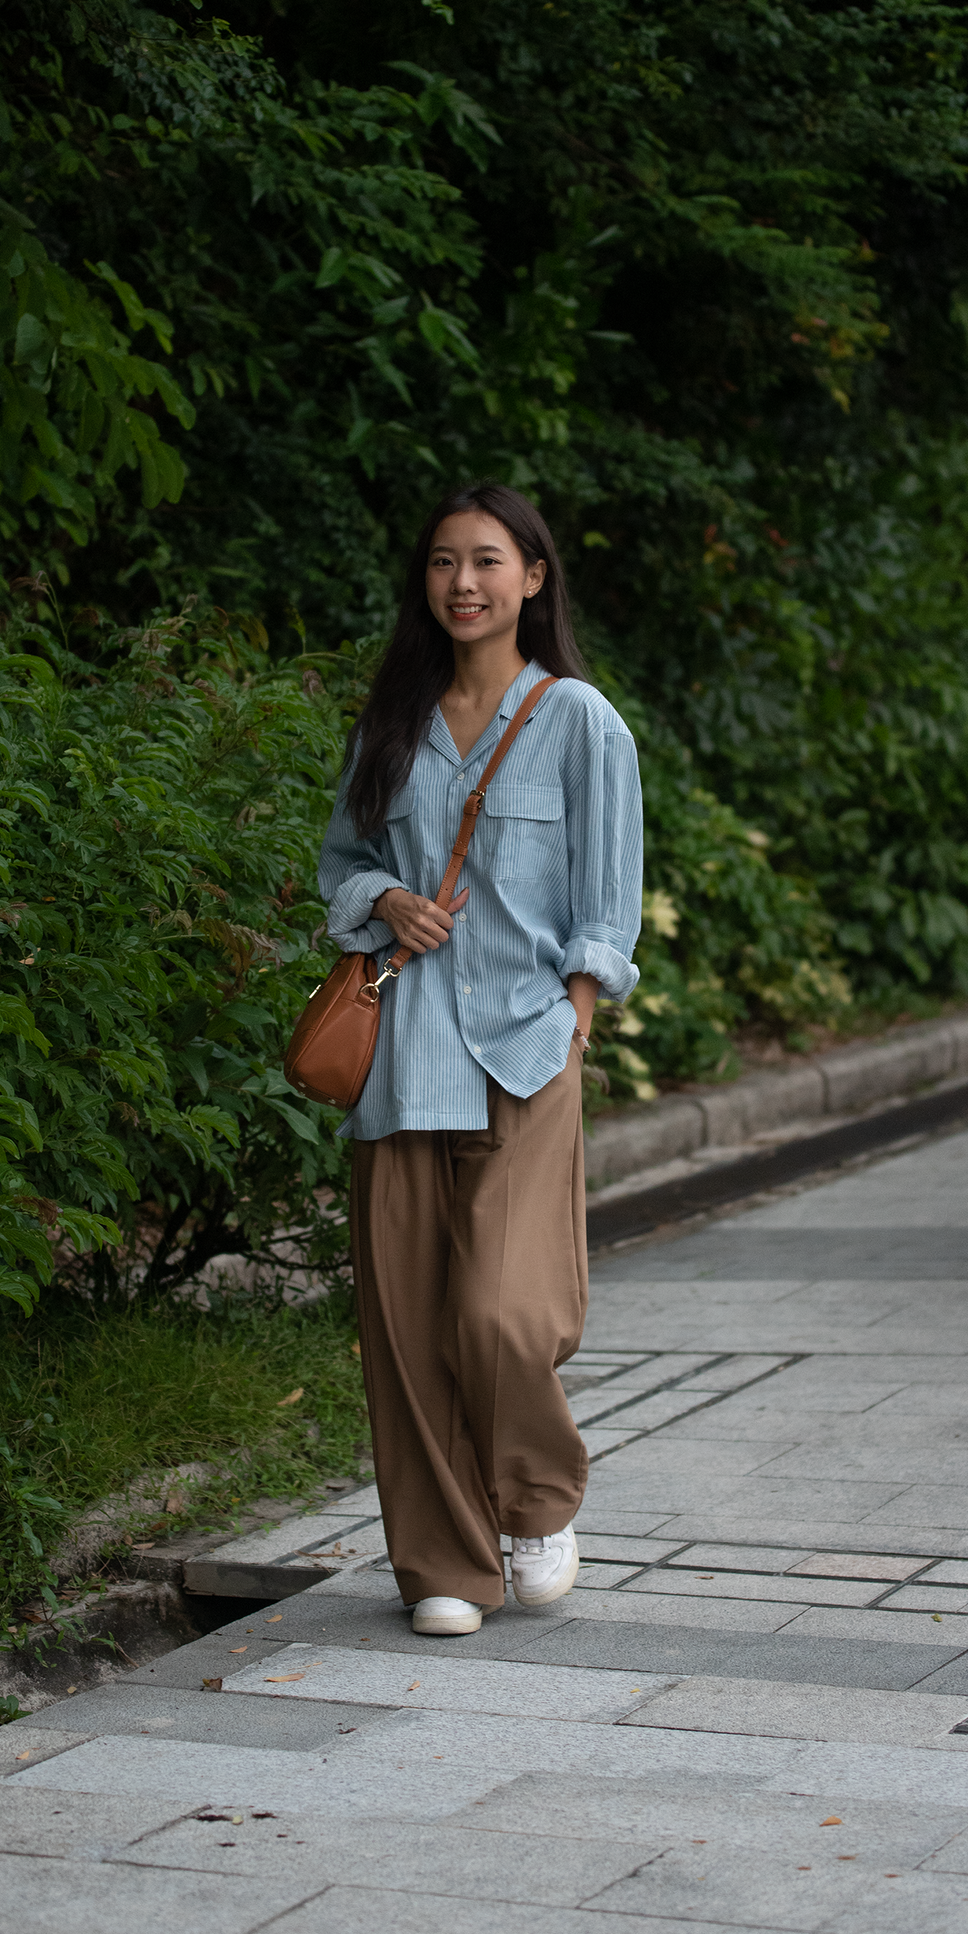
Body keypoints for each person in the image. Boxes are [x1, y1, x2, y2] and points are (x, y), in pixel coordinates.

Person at [317, 484, 644, 1636]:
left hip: (523, 1051)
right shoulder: (392, 722)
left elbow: (606, 907)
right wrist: (383, 897)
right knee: (407, 1326)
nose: (463, 582)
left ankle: (536, 1498)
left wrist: (575, 1024)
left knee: (503, 1311)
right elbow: (339, 866)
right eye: (444, 561)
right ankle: (444, 1564)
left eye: (487, 561)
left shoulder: (580, 721)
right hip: (403, 1057)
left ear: (532, 577)